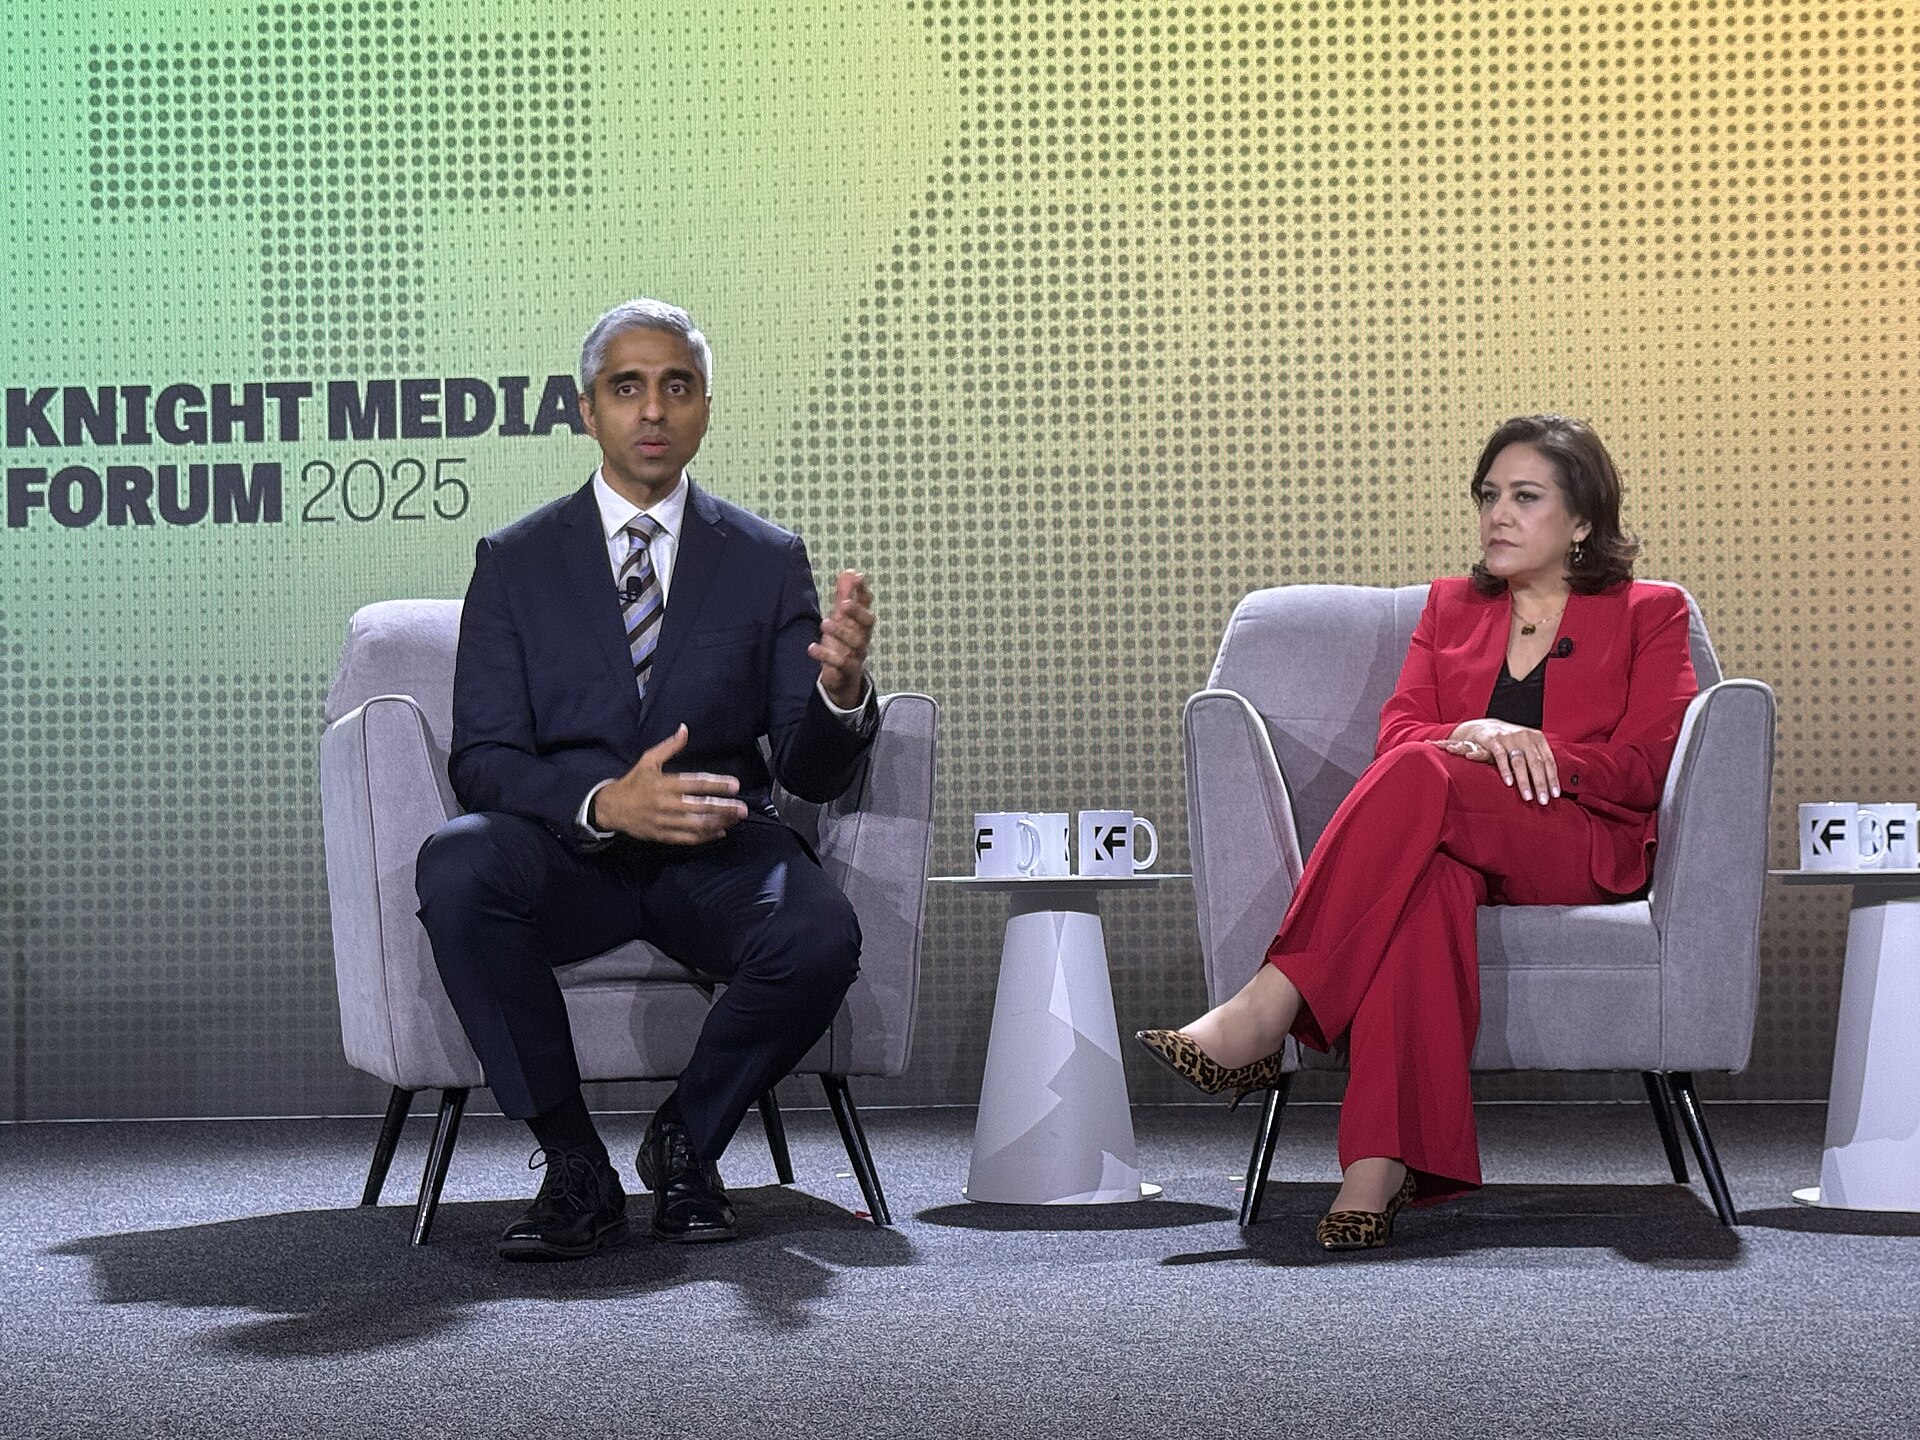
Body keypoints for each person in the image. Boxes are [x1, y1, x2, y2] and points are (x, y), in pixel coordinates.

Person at [1138, 414, 1698, 1249]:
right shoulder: (1449, 608)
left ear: (1582, 520)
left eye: (1524, 497)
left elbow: (1649, 765)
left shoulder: (1649, 612)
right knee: (1425, 879)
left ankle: (1268, 1004)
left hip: (1573, 844)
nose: (1497, 515)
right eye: (1487, 497)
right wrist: (1467, 731)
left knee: (1421, 775)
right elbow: (1402, 731)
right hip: (1456, 837)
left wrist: (1543, 752)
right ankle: (1379, 1167)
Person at [414, 298, 879, 1260]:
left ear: (706, 406)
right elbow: (485, 757)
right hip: (568, 854)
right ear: (589, 410)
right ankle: (575, 1168)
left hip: (713, 849)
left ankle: (686, 1142)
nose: (653, 410)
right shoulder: (514, 561)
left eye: (677, 387)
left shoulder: (764, 558)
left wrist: (839, 693)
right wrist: (598, 803)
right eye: (627, 388)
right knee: (458, 865)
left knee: (817, 930)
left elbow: (804, 765)